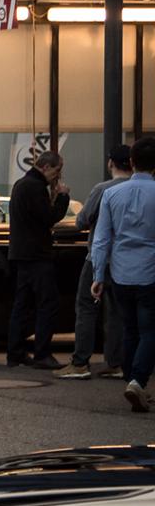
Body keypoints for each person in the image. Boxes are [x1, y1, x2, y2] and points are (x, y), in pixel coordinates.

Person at [91, 136, 155, 412]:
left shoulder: (112, 194)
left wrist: (97, 275)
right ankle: (138, 381)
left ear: (131, 161)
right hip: (150, 271)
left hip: (120, 272)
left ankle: (132, 380)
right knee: (150, 330)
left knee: (130, 329)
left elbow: (101, 239)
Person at [59, 145, 132, 380]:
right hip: (127, 260)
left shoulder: (103, 189)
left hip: (98, 258)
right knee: (117, 312)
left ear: (110, 163)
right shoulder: (141, 189)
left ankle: (80, 362)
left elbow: (81, 221)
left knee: (86, 307)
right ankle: (116, 362)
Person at [6, 150, 70, 368]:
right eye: (57, 170)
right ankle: (42, 353)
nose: (58, 176)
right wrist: (62, 197)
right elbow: (49, 218)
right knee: (47, 303)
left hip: (20, 253)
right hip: (37, 255)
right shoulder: (35, 187)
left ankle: (15, 353)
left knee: (22, 305)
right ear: (46, 167)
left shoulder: (21, 184)